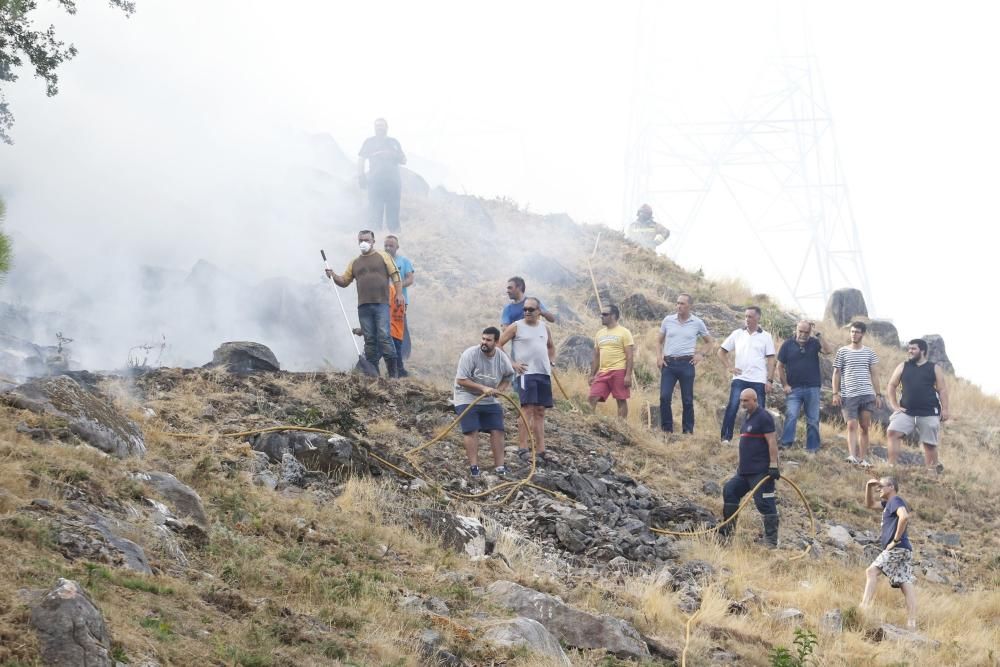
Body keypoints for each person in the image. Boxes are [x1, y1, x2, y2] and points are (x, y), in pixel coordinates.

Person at [326, 230, 404, 377]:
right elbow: (344, 281)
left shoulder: (383, 256)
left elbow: (395, 274)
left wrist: (399, 294)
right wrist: (333, 275)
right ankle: (373, 373)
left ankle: (393, 375)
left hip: (381, 304)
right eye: (361, 240)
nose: (364, 243)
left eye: (367, 240)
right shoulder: (355, 263)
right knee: (369, 340)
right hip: (363, 306)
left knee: (384, 336)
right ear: (358, 242)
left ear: (373, 241)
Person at [719, 388, 781, 548]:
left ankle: (771, 541)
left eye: (746, 401)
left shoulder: (764, 417)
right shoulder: (747, 418)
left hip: (761, 472)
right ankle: (727, 534)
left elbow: (772, 442)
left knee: (765, 503)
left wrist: (773, 465)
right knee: (730, 490)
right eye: (741, 401)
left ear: (755, 400)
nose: (742, 404)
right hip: (744, 472)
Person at [498, 297, 557, 463]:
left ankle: (541, 450)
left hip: (543, 373)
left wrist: (551, 362)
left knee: (540, 411)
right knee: (527, 409)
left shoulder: (544, 327)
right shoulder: (517, 326)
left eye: (531, 309)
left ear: (539, 311)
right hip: (526, 373)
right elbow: (499, 344)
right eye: (525, 309)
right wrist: (512, 363)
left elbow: (551, 346)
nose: (527, 312)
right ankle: (523, 448)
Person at [454, 327, 516, 479]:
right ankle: (474, 467)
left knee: (498, 429)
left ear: (496, 342)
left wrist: (500, 390)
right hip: (466, 395)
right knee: (471, 430)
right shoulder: (470, 354)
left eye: (488, 340)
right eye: (483, 339)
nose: (484, 342)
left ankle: (500, 467)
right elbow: (461, 380)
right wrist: (483, 388)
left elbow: (509, 375)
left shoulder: (501, 357)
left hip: (489, 398)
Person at [885, 339, 950, 472]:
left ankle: (932, 472)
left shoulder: (934, 368)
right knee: (892, 432)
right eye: (909, 348)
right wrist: (894, 405)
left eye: (913, 349)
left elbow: (942, 389)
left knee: (929, 444)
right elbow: (891, 385)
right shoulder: (903, 366)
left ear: (922, 351)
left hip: (929, 412)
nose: (910, 351)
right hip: (906, 411)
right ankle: (891, 467)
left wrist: (945, 409)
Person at [860, 476, 917, 629]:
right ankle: (912, 621)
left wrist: (895, 540)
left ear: (891, 487)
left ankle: (864, 607)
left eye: (881, 486)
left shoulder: (895, 501)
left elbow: (904, 517)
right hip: (905, 549)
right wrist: (869, 486)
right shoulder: (888, 504)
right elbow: (870, 504)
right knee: (905, 582)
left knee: (871, 572)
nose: (879, 489)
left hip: (897, 548)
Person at [717, 306, 776, 445]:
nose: (747, 319)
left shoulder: (766, 336)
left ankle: (758, 440)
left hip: (758, 380)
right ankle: (726, 438)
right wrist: (730, 367)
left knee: (759, 409)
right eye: (746, 316)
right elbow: (721, 351)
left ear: (758, 318)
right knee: (732, 406)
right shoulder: (737, 333)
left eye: (750, 316)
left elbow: (771, 359)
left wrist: (770, 380)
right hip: (740, 378)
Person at [657, 293, 714, 434]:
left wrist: (700, 354)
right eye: (677, 303)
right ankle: (666, 430)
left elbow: (709, 342)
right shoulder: (668, 320)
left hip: (686, 364)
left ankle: (688, 432)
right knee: (664, 397)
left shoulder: (697, 322)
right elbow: (659, 340)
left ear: (690, 305)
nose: (679, 306)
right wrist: (659, 356)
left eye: (682, 303)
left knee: (687, 400)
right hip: (669, 364)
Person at [776, 320, 834, 452]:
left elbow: (828, 351)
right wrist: (784, 385)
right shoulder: (787, 344)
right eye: (800, 331)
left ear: (810, 332)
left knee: (813, 419)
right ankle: (786, 444)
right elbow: (779, 365)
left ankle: (812, 448)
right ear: (796, 330)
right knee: (791, 415)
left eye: (806, 332)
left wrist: (818, 334)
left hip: (812, 387)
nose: (803, 334)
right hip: (793, 388)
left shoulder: (814, 342)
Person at [832, 321, 882, 467]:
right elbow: (836, 373)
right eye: (852, 331)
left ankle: (862, 458)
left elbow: (874, 374)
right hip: (849, 394)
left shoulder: (869, 352)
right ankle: (852, 455)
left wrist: (878, 395)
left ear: (863, 334)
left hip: (867, 394)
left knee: (864, 426)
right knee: (851, 425)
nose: (854, 334)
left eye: (857, 332)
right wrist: (835, 393)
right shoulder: (842, 351)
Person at [358, 118, 406, 232]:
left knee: (393, 212)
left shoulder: (394, 142)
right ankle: (375, 239)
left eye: (382, 125)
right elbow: (361, 159)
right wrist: (361, 176)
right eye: (377, 125)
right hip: (375, 182)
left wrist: (394, 156)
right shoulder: (369, 142)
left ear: (386, 127)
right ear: (374, 128)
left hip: (393, 183)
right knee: (375, 212)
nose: (380, 127)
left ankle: (395, 238)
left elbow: (404, 160)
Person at [588, 304, 634, 419]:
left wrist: (628, 375)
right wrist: (592, 375)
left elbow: (629, 355)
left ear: (613, 316)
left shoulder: (624, 332)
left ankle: (622, 427)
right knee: (592, 398)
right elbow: (596, 356)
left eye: (605, 314)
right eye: (601, 314)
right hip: (603, 372)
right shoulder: (599, 333)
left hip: (619, 370)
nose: (601, 316)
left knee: (620, 400)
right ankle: (590, 423)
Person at [384, 235, 415, 370]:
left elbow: (410, 279)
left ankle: (403, 355)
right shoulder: (380, 261)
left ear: (397, 247)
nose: (388, 248)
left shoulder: (404, 261)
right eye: (386, 245)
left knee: (401, 327)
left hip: (399, 301)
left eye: (391, 245)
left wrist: (397, 286)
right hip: (383, 300)